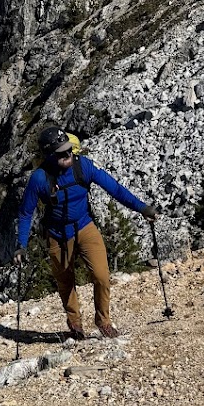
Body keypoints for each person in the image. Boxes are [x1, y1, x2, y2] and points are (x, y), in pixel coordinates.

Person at [15, 126, 157, 340]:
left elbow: (115, 189)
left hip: (84, 226)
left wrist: (142, 208)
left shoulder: (84, 166)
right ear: (49, 155)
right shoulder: (40, 178)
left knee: (102, 276)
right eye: (61, 153)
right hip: (57, 234)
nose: (67, 154)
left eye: (68, 149)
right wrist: (21, 245)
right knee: (65, 281)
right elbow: (26, 213)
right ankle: (75, 323)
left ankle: (103, 321)